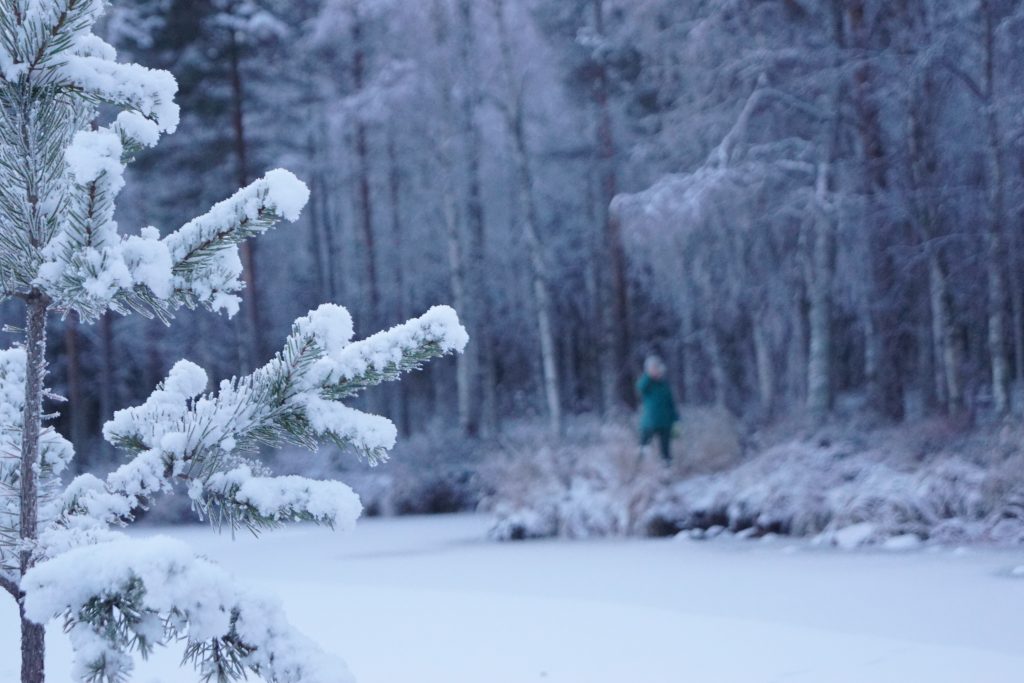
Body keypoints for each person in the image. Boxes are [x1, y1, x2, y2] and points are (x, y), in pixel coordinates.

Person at [637, 355, 679, 463]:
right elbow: (640, 388)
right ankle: (640, 467)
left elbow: (671, 403)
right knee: (643, 446)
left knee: (666, 450)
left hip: (666, 422)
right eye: (653, 368)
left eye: (657, 367)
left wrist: (676, 421)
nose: (656, 370)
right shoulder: (647, 383)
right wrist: (648, 375)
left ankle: (666, 468)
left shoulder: (664, 385)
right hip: (650, 421)